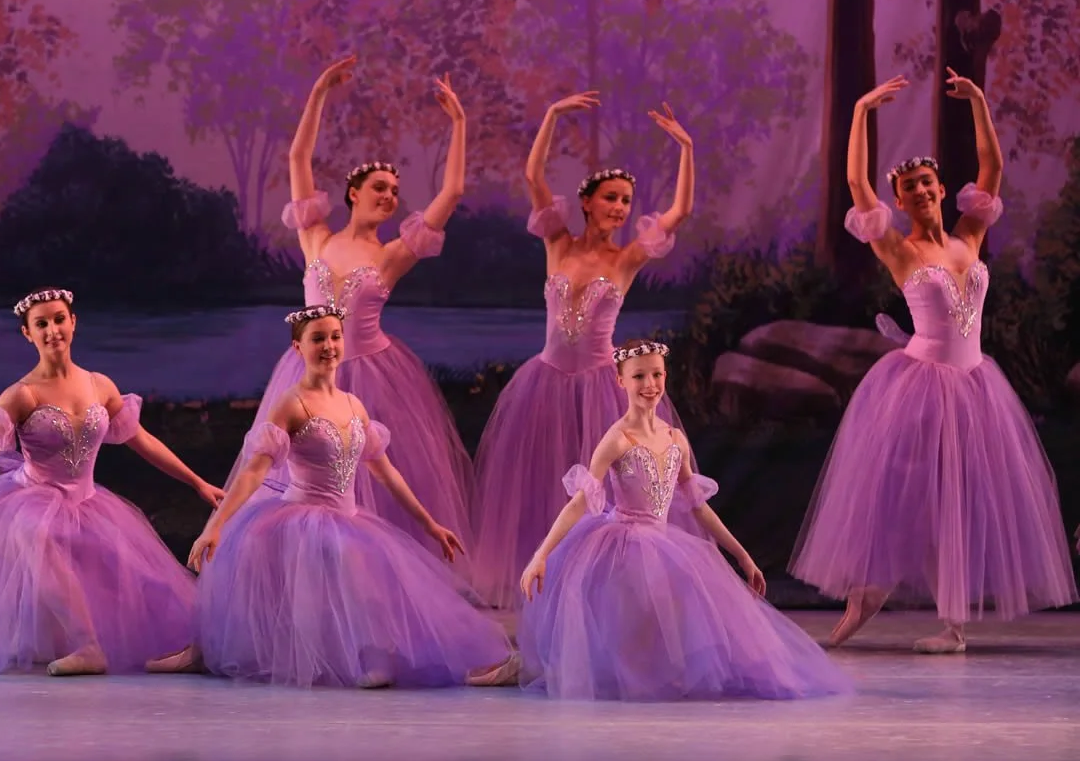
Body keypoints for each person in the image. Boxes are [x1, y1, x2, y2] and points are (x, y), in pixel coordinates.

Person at [789, 70, 1078, 653]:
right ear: (899, 201)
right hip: (920, 385)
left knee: (961, 500)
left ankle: (953, 626)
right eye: (909, 187)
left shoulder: (969, 238)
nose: (920, 191)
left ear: (943, 189)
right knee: (906, 493)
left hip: (975, 384)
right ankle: (867, 591)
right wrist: (862, 111)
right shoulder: (899, 248)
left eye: (927, 182)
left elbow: (993, 169)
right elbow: (855, 181)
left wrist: (979, 102)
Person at [0, 288, 223, 676]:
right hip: (32, 496)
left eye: (59, 319)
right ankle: (87, 647)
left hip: (87, 500)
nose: (53, 330)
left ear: (73, 322)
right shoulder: (22, 394)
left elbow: (142, 440)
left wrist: (197, 482)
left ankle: (193, 643)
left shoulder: (99, 385)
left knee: (134, 569)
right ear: (27, 333)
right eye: (42, 324)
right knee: (34, 534)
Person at [147, 305, 512, 689]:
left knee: (370, 576)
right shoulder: (292, 403)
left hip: (348, 516)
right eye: (318, 338)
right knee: (340, 570)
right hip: (301, 516)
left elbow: (385, 471)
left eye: (335, 337)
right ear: (298, 347)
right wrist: (216, 526)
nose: (329, 346)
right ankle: (334, 659)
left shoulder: (353, 404)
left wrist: (430, 523)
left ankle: (370, 655)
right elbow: (254, 471)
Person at [473, 340, 851, 701]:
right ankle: (532, 666)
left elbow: (698, 507)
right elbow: (579, 502)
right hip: (621, 543)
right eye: (639, 376)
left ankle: (638, 672)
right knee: (622, 620)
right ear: (621, 381)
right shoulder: (617, 438)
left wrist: (742, 556)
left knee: (678, 616)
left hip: (661, 540)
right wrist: (541, 555)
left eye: (656, 374)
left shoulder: (675, 439)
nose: (649, 384)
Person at [224, 56, 476, 576]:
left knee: (372, 483)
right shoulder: (314, 236)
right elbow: (298, 156)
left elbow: (451, 193)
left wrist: (459, 124)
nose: (389, 197)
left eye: (395, 192)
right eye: (379, 188)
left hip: (371, 375)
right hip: (307, 373)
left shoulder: (392, 255)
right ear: (353, 192)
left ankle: (375, 579)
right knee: (292, 476)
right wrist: (318, 92)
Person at [469, 91, 699, 607]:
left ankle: (600, 591)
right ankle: (543, 582)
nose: (619, 208)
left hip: (599, 384)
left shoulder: (626, 258)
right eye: (611, 198)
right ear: (587, 202)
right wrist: (551, 115)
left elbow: (681, 210)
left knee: (604, 492)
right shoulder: (557, 242)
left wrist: (685, 148)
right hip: (545, 381)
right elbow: (532, 176)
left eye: (626, 201)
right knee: (544, 486)